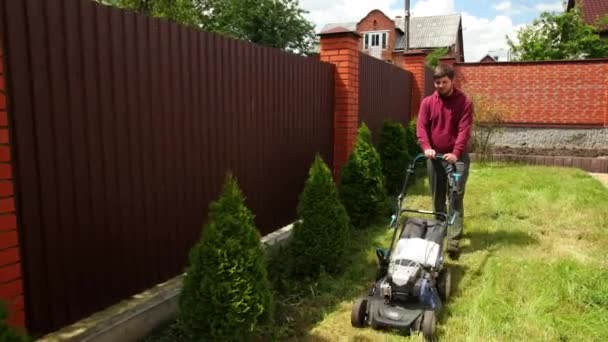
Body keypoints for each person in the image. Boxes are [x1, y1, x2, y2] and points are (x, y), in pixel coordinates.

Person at [416, 64, 473, 253]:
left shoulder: (464, 102)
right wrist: (427, 147)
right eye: (437, 82)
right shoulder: (427, 103)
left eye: (444, 82)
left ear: (452, 81)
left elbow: (464, 131)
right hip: (435, 157)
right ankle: (439, 232)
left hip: (457, 157)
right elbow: (422, 127)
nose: (440, 86)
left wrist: (456, 153)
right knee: (437, 197)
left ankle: (454, 240)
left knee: (455, 196)